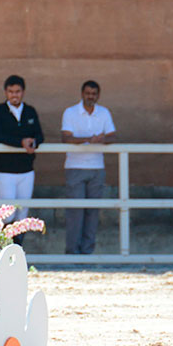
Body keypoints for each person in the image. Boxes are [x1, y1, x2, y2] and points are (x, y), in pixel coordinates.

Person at [61, 80, 116, 255]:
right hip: (75, 167)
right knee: (75, 213)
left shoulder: (104, 112)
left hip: (97, 168)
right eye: (87, 93)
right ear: (82, 94)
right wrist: (88, 139)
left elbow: (112, 137)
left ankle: (87, 253)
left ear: (98, 95)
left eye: (93, 94)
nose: (90, 96)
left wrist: (101, 140)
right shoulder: (70, 112)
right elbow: (66, 138)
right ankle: (72, 253)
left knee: (93, 213)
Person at [0, 75, 44, 243]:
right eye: (11, 91)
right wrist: (21, 142)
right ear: (5, 92)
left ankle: (18, 249)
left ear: (23, 92)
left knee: (22, 213)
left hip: (26, 169)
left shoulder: (30, 111)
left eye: (18, 91)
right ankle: (5, 248)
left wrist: (33, 142)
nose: (14, 95)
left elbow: (40, 135)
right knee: (7, 213)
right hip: (4, 170)